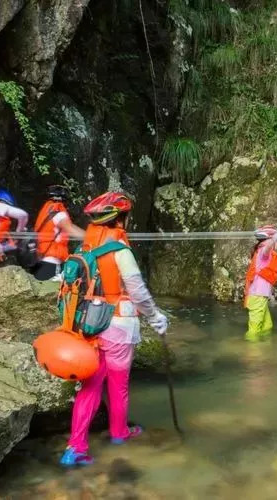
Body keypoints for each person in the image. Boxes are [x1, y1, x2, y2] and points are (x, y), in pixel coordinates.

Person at [60, 191, 169, 467]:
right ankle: (120, 432)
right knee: (118, 386)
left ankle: (75, 447)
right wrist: (156, 317)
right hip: (119, 326)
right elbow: (138, 291)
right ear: (122, 218)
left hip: (89, 325)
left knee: (90, 386)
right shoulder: (120, 250)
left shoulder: (85, 247)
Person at [32, 185, 85, 280]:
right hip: (52, 263)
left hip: (43, 260)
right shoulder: (59, 214)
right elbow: (70, 229)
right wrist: (92, 236)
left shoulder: (46, 212)